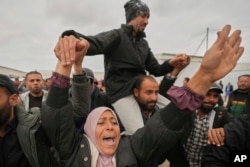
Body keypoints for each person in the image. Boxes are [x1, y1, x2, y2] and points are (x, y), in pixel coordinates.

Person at [41, 24, 244, 167]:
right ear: (89, 132)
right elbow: (56, 119)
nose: (111, 126)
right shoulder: (73, 149)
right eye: (101, 123)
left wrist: (204, 76)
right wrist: (67, 59)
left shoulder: (131, 147)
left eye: (113, 121)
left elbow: (164, 124)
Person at [59, 0, 189, 135]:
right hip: (121, 92)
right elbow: (95, 43)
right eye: (143, 15)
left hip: (140, 88)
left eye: (148, 17)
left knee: (176, 113)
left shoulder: (143, 44)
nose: (147, 21)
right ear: (132, 16)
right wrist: (72, 37)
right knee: (139, 134)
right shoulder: (117, 36)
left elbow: (156, 69)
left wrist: (171, 62)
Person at [162, 83, 234, 167]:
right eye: (207, 94)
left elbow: (237, 127)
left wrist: (225, 131)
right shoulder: (186, 111)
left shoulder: (221, 114)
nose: (211, 99)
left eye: (215, 96)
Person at [0, 74, 62, 167]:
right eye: (32, 81)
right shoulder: (22, 97)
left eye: (38, 80)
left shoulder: (35, 130)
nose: (35, 83)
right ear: (26, 83)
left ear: (13, 100)